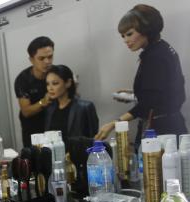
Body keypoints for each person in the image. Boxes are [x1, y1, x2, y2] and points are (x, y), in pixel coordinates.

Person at [95, 4, 187, 140]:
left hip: (162, 131)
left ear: (146, 29)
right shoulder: (163, 48)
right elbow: (161, 89)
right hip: (170, 126)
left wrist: (115, 123)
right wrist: (134, 94)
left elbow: (149, 102)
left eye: (129, 34)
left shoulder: (155, 56)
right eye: (123, 36)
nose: (126, 40)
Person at [14, 36, 55, 147]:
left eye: (50, 57)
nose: (47, 62)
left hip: (54, 128)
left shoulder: (57, 73)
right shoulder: (23, 80)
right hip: (33, 131)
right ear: (31, 60)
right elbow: (26, 111)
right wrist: (44, 102)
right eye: (41, 58)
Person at [44, 65, 99, 143]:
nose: (50, 88)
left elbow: (93, 138)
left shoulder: (85, 107)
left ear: (68, 83)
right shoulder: (49, 109)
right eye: (47, 84)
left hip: (79, 153)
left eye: (55, 83)